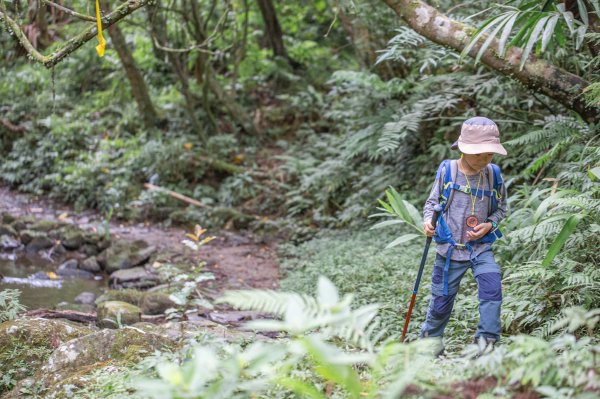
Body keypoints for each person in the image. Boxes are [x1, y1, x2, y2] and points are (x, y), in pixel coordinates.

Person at [421, 116, 507, 355]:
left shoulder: (493, 174)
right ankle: (429, 346)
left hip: (480, 248)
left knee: (493, 291)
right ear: (463, 149)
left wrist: (490, 224)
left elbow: (501, 208)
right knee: (440, 303)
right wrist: (428, 222)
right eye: (479, 154)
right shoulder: (448, 171)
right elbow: (431, 204)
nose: (484, 159)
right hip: (449, 250)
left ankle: (485, 347)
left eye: (489, 154)